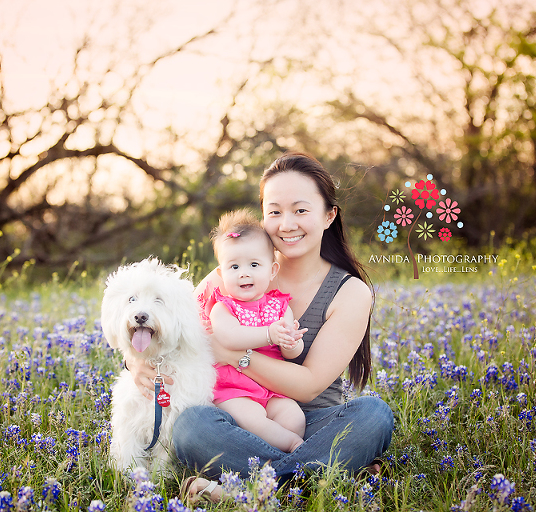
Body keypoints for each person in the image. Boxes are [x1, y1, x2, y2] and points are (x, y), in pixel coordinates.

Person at [125, 152, 394, 504]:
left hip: (308, 422)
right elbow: (172, 327)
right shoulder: (235, 272)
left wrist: (232, 353)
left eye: (301, 210)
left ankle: (247, 489)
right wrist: (137, 363)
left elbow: (309, 385)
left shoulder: (350, 292)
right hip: (236, 417)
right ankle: (318, 477)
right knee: (193, 425)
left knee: (373, 414)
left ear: (329, 216)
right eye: (274, 211)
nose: (286, 224)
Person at [205, 208, 307, 454]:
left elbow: (292, 353)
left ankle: (274, 460)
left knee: (295, 418)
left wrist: (291, 342)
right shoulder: (222, 307)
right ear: (221, 274)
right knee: (253, 422)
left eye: (253, 264)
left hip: (272, 387)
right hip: (234, 389)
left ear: (272, 271)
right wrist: (269, 335)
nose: (244, 273)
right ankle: (295, 448)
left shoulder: (280, 306)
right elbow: (229, 338)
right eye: (234, 267)